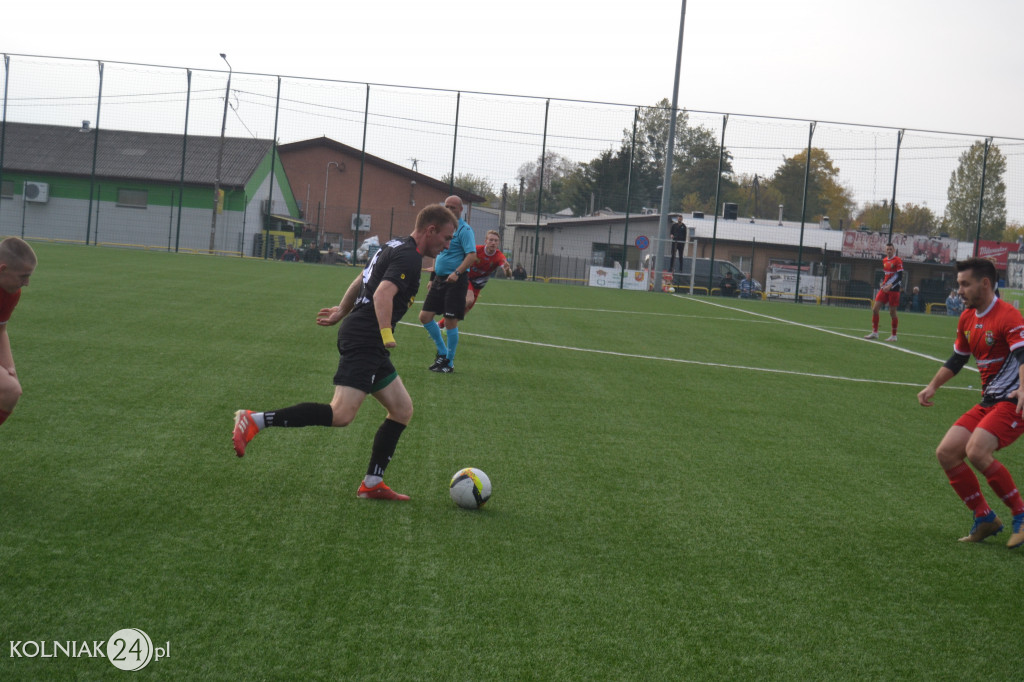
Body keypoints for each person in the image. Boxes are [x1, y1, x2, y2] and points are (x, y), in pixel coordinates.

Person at [231, 204, 457, 501]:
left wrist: (341, 310)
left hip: (365, 336)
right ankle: (254, 420)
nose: (447, 245)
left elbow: (362, 278)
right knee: (341, 414)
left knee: (402, 410)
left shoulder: (394, 244)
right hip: (366, 338)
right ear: (431, 230)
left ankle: (373, 483)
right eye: (446, 237)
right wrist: (386, 333)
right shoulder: (410, 257)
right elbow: (382, 294)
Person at [917, 258, 1024, 548]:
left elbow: (1023, 355)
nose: (959, 290)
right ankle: (984, 517)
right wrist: (932, 386)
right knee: (947, 453)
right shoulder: (967, 318)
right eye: (959, 284)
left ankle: (1021, 514)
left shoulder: (1008, 316)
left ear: (984, 284)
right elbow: (958, 359)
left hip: (1013, 402)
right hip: (989, 402)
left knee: (976, 451)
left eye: (965, 284)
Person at [419, 195, 477, 374]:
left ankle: (449, 362)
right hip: (439, 279)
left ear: (461, 210)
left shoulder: (465, 230)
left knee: (451, 321)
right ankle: (443, 352)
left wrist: (457, 273)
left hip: (456, 282)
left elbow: (472, 256)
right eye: (447, 206)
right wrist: (432, 278)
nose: (449, 210)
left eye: (453, 207)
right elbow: (437, 253)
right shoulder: (442, 228)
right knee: (425, 317)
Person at [439, 230, 512, 329]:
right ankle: (449, 313)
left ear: (498, 243)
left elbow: (507, 273)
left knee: (465, 311)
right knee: (469, 300)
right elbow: (461, 256)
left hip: (478, 284)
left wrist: (507, 270)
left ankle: (441, 325)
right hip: (466, 278)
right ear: (485, 241)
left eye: (496, 241)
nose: (493, 243)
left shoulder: (499, 256)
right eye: (491, 240)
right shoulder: (477, 250)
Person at [0, 237, 37, 428]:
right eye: (23, 276)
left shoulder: (11, 293)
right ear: (2, 269)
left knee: (12, 390)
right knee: (8, 388)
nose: (27, 283)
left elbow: (1, 329)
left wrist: (10, 368)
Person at [864, 242, 902, 341]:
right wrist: (883, 283)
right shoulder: (884, 260)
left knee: (892, 312)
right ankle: (875, 333)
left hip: (894, 289)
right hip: (884, 288)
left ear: (894, 250)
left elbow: (899, 276)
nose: (889, 251)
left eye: (891, 249)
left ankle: (894, 336)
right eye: (887, 249)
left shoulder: (897, 260)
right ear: (885, 251)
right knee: (875, 309)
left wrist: (890, 285)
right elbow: (887, 275)